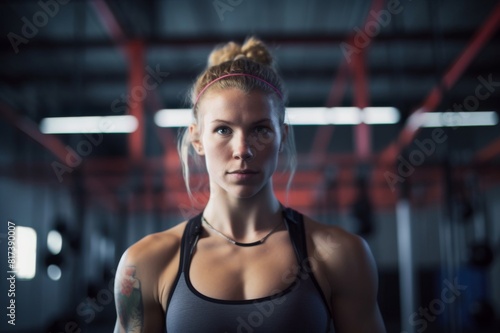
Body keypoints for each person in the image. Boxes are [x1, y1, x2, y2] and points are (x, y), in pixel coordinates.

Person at [113, 37, 386, 333]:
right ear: (196, 139)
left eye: (260, 130)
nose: (243, 149)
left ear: (281, 136)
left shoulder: (340, 254)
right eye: (222, 130)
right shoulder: (145, 263)